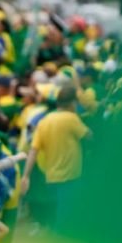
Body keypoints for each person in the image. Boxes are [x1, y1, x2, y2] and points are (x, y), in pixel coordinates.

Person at [21, 84, 91, 229]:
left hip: (51, 176)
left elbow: (33, 151)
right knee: (67, 213)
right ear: (72, 103)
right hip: (71, 175)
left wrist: (26, 176)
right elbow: (89, 136)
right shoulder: (71, 118)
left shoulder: (44, 121)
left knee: (59, 210)